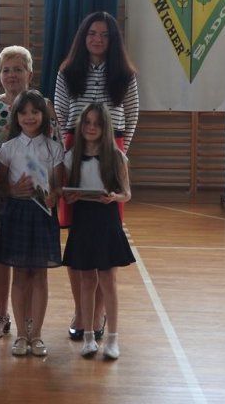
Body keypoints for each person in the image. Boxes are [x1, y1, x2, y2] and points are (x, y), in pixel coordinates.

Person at [54, 11, 138, 341]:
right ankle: (81, 310)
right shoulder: (67, 71)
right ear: (83, 37)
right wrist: (68, 152)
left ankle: (100, 312)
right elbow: (61, 113)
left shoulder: (125, 74)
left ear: (113, 39)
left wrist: (118, 156)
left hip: (111, 149)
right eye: (92, 33)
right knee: (78, 237)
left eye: (104, 34)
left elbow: (131, 115)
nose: (98, 39)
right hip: (75, 149)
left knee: (105, 236)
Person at [0, 46, 58, 340]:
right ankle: (2, 315)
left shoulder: (44, 105)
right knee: (0, 256)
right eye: (6, 70)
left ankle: (29, 322)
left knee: (31, 263)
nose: (12, 75)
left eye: (18, 69)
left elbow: (55, 151)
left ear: (30, 73)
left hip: (33, 201)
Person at [62, 103, 134, 360]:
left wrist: (114, 197)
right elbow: (67, 194)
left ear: (105, 127)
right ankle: (89, 338)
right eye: (87, 122)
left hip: (107, 220)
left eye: (97, 123)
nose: (91, 128)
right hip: (83, 220)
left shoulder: (116, 156)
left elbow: (127, 193)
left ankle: (112, 338)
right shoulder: (71, 157)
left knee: (108, 281)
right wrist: (70, 197)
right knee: (86, 280)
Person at [0, 90, 64, 358]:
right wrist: (12, 189)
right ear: (16, 117)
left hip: (43, 215)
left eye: (35, 112)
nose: (29, 117)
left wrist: (53, 195)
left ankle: (36, 334)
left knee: (40, 275)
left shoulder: (53, 148)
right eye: (23, 112)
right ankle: (21, 335)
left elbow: (58, 185)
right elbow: (1, 185)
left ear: (43, 116)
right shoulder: (8, 148)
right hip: (17, 213)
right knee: (20, 274)